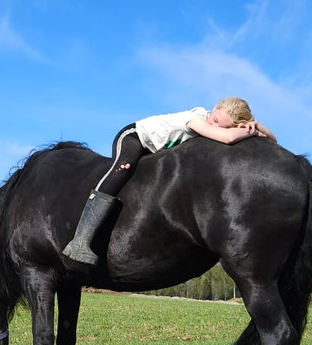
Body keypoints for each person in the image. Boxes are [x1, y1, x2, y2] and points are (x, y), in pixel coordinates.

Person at [62, 97, 277, 268]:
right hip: (136, 137)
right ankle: (80, 239)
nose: (214, 123)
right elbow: (227, 138)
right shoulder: (196, 118)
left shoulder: (216, 123)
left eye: (222, 125)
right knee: (122, 168)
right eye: (216, 119)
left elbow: (273, 140)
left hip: (156, 153)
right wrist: (250, 131)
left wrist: (257, 126)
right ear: (215, 108)